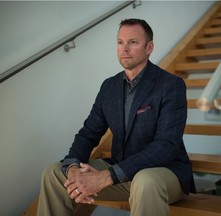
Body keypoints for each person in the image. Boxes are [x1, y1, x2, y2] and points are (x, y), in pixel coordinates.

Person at [37, 18, 196, 216]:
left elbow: (165, 146)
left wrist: (107, 177)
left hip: (164, 172)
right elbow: (88, 134)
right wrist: (73, 168)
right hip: (121, 171)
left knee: (145, 181)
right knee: (53, 173)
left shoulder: (170, 85)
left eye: (133, 42)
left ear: (149, 47)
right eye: (120, 42)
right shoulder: (108, 87)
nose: (124, 49)